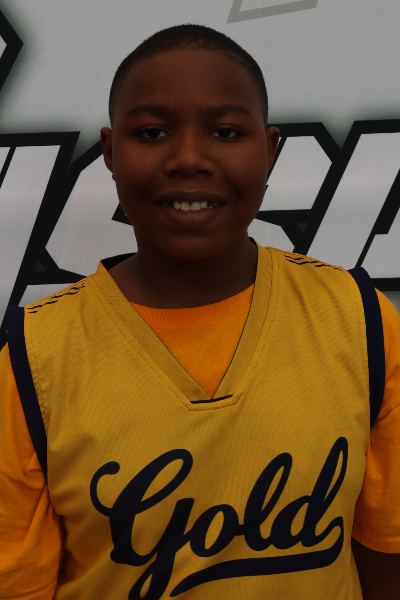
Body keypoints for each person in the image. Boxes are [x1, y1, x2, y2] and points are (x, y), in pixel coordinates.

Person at [1, 24, 400, 600]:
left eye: (225, 131)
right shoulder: (34, 358)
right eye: (152, 132)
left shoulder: (359, 320)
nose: (188, 158)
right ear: (110, 153)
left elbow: (386, 553)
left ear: (270, 150)